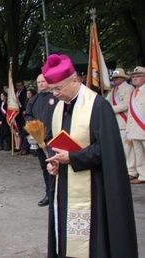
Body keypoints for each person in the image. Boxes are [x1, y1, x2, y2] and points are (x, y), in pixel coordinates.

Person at [44, 54, 137, 257]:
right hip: (65, 180)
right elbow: (56, 139)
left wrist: (73, 158)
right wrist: (55, 161)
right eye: (53, 89)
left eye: (59, 88)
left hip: (93, 185)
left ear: (75, 81)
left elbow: (107, 150)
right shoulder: (60, 107)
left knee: (92, 238)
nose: (56, 94)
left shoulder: (97, 106)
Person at [24, 74, 58, 207]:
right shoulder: (33, 100)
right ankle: (49, 193)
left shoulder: (56, 97)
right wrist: (35, 127)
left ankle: (57, 193)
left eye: (43, 81)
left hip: (54, 138)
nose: (41, 84)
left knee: (55, 166)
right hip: (39, 138)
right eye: (38, 82)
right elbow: (27, 115)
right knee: (45, 168)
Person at [106, 68, 137, 183]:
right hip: (116, 122)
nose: (115, 79)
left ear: (123, 78)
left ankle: (131, 171)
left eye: (117, 77)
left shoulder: (129, 88)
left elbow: (125, 106)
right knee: (120, 148)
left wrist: (108, 109)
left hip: (125, 122)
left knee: (128, 148)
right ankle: (124, 169)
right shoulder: (114, 90)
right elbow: (106, 102)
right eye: (114, 78)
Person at [127, 66, 145, 184]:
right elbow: (130, 113)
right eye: (133, 77)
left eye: (138, 76)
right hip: (135, 129)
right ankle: (143, 175)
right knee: (139, 154)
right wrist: (129, 130)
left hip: (143, 126)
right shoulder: (133, 93)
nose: (135, 79)